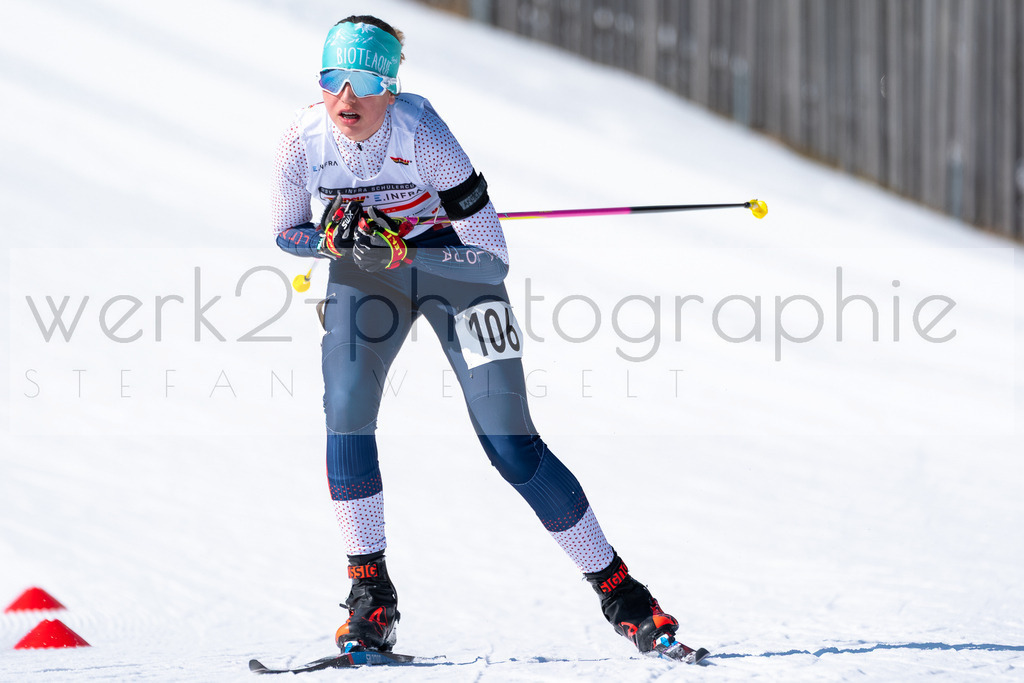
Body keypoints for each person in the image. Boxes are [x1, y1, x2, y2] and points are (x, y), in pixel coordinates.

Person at [271, 15, 700, 662]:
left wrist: (404, 255)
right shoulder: (301, 141)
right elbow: (286, 231)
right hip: (366, 276)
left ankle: (627, 598)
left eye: (364, 81)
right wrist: (333, 240)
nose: (346, 98)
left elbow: (492, 256)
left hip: (457, 275)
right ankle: (370, 600)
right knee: (346, 417)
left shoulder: (426, 138)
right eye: (333, 78)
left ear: (390, 86)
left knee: (511, 445)